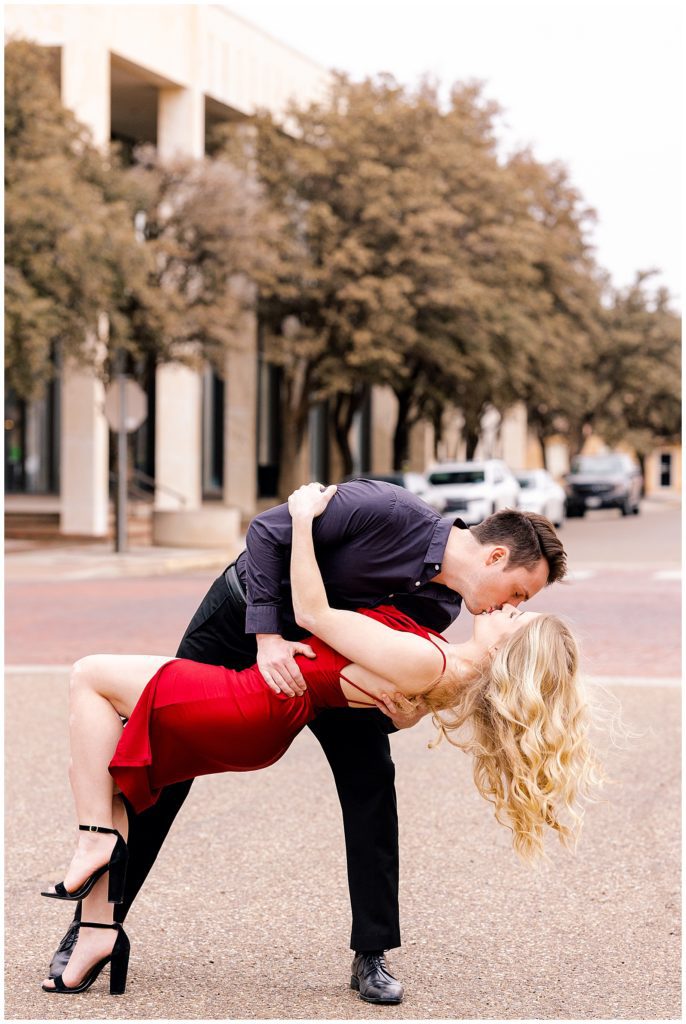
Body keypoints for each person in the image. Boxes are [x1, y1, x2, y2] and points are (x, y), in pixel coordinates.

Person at [44, 478, 569, 1001]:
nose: (511, 606)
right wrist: (268, 638)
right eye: (518, 592)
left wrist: (401, 714)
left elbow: (383, 673)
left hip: (320, 672)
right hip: (244, 621)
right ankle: (96, 924)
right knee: (164, 761)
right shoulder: (383, 509)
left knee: (371, 784)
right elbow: (268, 532)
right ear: (496, 556)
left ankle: (372, 952)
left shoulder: (442, 607)